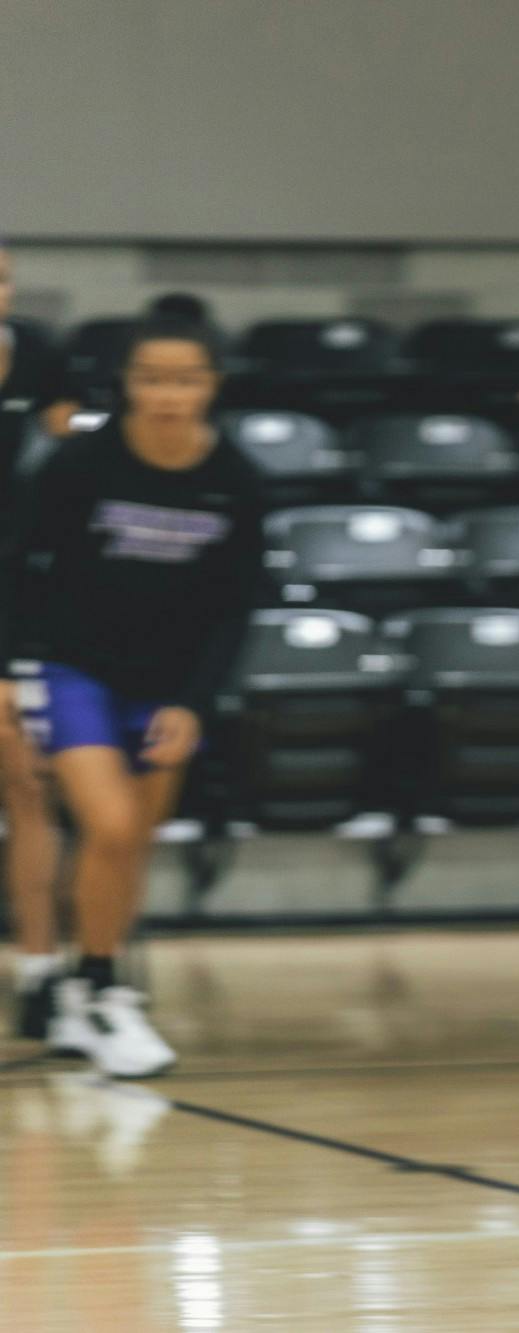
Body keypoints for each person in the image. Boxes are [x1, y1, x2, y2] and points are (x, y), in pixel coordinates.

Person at [0, 318, 265, 1077]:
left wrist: (197, 702)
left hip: (170, 685)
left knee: (128, 844)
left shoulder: (236, 478)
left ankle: (93, 987)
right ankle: (106, 993)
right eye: (152, 378)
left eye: (185, 379)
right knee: (109, 823)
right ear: (128, 383)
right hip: (73, 666)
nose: (168, 395)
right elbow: (18, 565)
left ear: (211, 384)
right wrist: (8, 670)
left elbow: (237, 603)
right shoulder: (81, 463)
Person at [0, 241, 67, 1039]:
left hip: (22, 596)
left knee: (27, 783)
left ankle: (42, 972)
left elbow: (71, 460)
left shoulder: (40, 355)